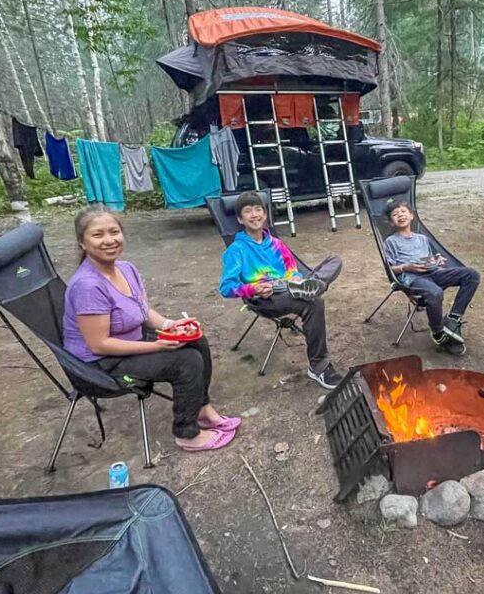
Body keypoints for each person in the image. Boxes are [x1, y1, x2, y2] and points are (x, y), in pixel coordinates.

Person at [63, 204, 239, 452]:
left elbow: (143, 311)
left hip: (130, 340)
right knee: (186, 361)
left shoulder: (126, 268)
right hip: (101, 363)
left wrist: (171, 325)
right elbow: (99, 344)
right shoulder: (88, 286)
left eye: (114, 232)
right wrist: (155, 345)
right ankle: (187, 434)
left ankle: (202, 408)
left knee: (195, 340)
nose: (109, 240)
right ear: (82, 242)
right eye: (97, 235)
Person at [219, 191, 345, 389]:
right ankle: (318, 366)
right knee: (314, 303)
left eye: (258, 209)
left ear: (265, 214)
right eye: (248, 211)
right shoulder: (236, 250)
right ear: (240, 219)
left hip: (290, 287)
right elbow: (226, 288)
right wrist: (253, 289)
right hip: (266, 297)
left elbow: (292, 271)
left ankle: (308, 287)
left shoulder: (277, 244)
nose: (255, 215)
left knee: (334, 261)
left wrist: (295, 279)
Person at [382, 200, 481, 354]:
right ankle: (438, 331)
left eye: (403, 212)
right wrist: (406, 267)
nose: (400, 215)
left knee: (471, 275)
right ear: (391, 222)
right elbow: (391, 270)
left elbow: (429, 258)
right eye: (395, 214)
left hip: (433, 272)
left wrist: (436, 261)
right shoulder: (391, 241)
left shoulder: (422, 239)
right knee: (435, 292)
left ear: (411, 215)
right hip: (411, 277)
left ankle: (453, 320)